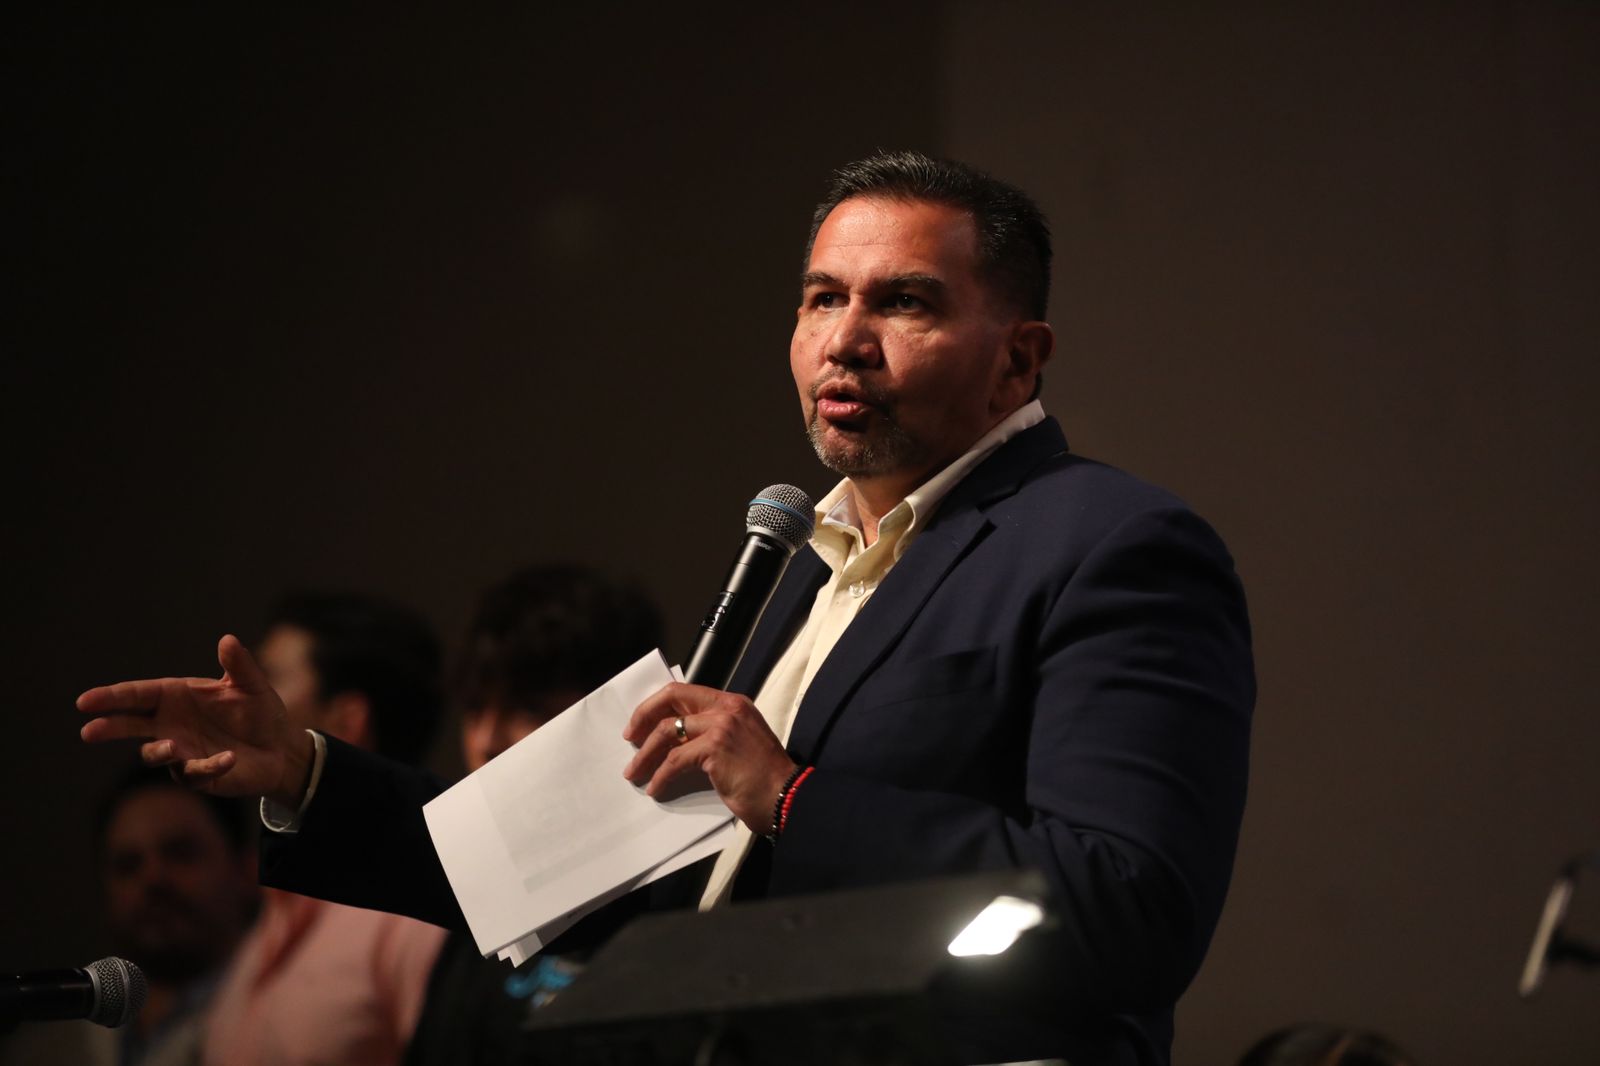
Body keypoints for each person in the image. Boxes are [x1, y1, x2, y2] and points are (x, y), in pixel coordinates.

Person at [78, 151, 1255, 1066]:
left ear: (1018, 358)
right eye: (820, 298)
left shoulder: (1109, 546)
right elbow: (563, 869)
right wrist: (307, 771)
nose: (845, 340)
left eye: (903, 302)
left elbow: (1129, 911)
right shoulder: (801, 563)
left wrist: (790, 795)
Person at [403, 564, 664, 1066]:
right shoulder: (479, 900)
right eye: (474, 709)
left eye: (526, 709)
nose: (485, 741)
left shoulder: (677, 893)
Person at [198, 594, 449, 1066]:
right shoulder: (272, 914)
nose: (236, 697)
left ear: (346, 721)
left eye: (269, 678)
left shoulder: (412, 920)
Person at [0, 768, 258, 1066]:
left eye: (180, 853)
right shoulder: (42, 1051)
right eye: (128, 865)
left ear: (245, 869)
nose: (153, 878)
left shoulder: (290, 1027)